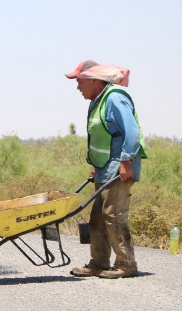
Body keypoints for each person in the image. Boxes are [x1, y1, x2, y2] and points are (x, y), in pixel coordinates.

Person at [65, 60, 147, 279]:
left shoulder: (114, 98)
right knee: (98, 218)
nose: (78, 87)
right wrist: (95, 164)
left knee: (113, 215)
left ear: (93, 80)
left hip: (120, 168)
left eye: (79, 82)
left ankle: (126, 264)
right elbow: (102, 137)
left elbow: (131, 132)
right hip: (105, 168)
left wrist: (126, 161)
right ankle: (98, 263)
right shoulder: (98, 100)